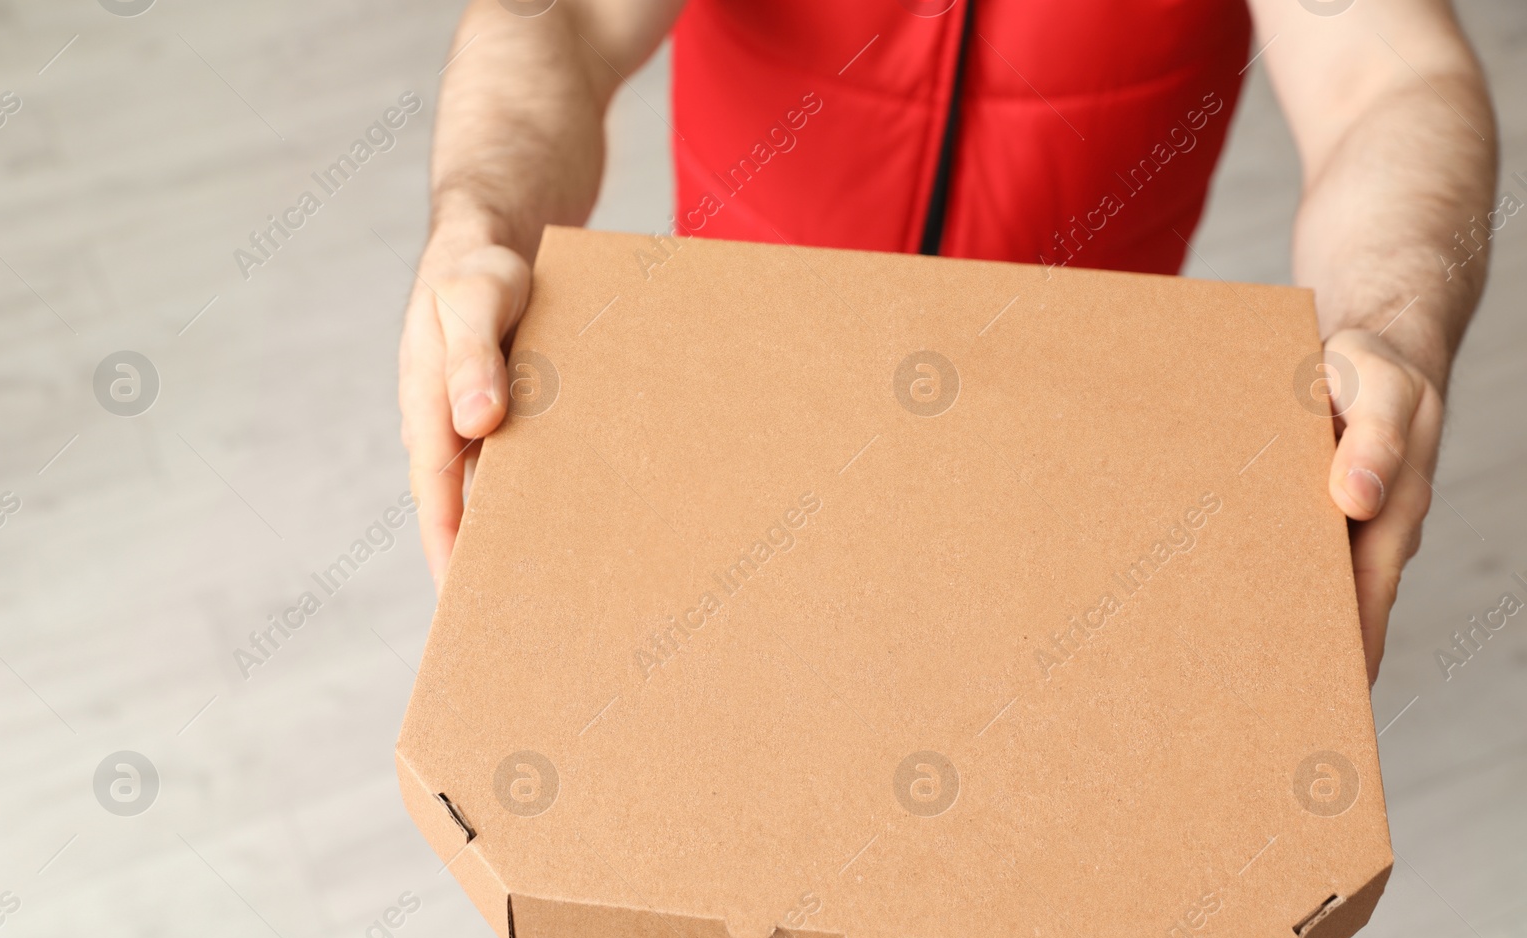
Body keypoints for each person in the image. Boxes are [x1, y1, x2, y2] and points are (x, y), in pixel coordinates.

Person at [396, 0, 1496, 684]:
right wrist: (480, 220)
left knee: (1016, 751)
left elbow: (1385, 79)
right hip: (750, 375)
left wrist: (1387, 328)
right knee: (725, 703)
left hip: (1069, 415)